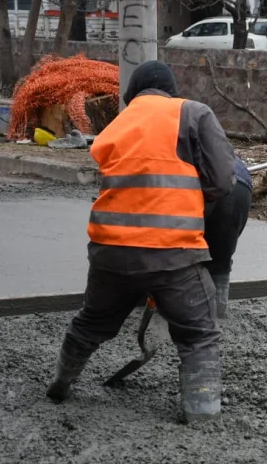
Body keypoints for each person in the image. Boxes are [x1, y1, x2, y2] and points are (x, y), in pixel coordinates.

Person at [45, 60, 236, 423]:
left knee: (91, 322)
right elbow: (222, 181)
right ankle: (202, 413)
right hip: (173, 254)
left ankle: (61, 383)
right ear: (171, 90)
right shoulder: (193, 113)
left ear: (131, 95)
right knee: (198, 334)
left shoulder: (116, 126)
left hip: (109, 253)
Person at [203, 156, 253, 319]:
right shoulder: (210, 136)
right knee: (220, 264)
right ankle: (217, 317)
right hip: (239, 184)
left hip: (203, 183)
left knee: (179, 259)